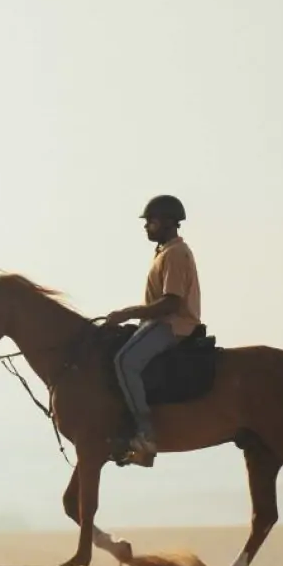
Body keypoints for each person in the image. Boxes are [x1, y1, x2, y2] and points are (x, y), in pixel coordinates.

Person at [103, 195, 202, 461]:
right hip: (158, 323)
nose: (147, 226)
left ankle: (146, 434)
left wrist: (128, 314)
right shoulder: (163, 252)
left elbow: (171, 302)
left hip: (173, 325)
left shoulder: (176, 254)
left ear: (169, 223)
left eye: (152, 222)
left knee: (125, 361)